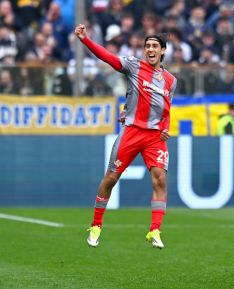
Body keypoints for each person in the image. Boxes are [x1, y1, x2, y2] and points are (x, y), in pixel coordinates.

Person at [74, 24, 177, 249]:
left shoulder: (170, 80)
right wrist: (85, 39)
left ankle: (155, 230)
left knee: (160, 179)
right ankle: (96, 224)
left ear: (162, 51)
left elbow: (166, 108)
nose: (150, 49)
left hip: (155, 137)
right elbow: (108, 57)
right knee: (111, 179)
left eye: (154, 46)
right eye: (147, 45)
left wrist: (166, 127)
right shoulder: (133, 66)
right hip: (132, 131)